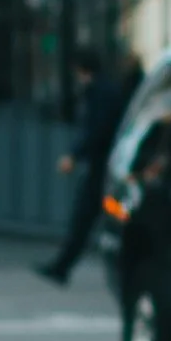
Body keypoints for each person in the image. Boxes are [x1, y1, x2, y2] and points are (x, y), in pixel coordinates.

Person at [36, 48, 138, 285]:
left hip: (102, 168)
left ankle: (63, 266)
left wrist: (74, 155)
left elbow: (97, 130)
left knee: (92, 215)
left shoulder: (99, 92)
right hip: (107, 167)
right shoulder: (106, 90)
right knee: (103, 214)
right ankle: (63, 266)